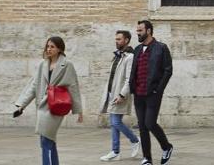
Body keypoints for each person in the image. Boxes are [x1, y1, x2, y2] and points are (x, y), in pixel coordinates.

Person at [13, 35, 84, 165]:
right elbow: (34, 85)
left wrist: (78, 110)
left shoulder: (67, 65)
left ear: (59, 49)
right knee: (48, 140)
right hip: (42, 105)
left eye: (52, 47)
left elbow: (73, 86)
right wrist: (22, 105)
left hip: (57, 106)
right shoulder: (43, 64)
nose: (49, 49)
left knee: (46, 140)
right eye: (47, 46)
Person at [123, 19, 174, 165]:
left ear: (148, 31)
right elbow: (134, 71)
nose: (137, 33)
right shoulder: (138, 49)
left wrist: (159, 89)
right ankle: (147, 159)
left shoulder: (161, 48)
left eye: (140, 30)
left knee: (150, 123)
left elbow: (168, 70)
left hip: (153, 93)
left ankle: (167, 147)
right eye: (137, 30)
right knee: (143, 126)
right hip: (138, 93)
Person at [98, 29, 139, 162]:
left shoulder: (130, 57)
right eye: (116, 39)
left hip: (120, 94)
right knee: (113, 122)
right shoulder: (118, 55)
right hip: (112, 93)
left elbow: (129, 78)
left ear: (126, 40)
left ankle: (134, 140)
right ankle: (115, 151)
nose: (116, 41)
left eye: (119, 39)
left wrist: (122, 94)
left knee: (115, 122)